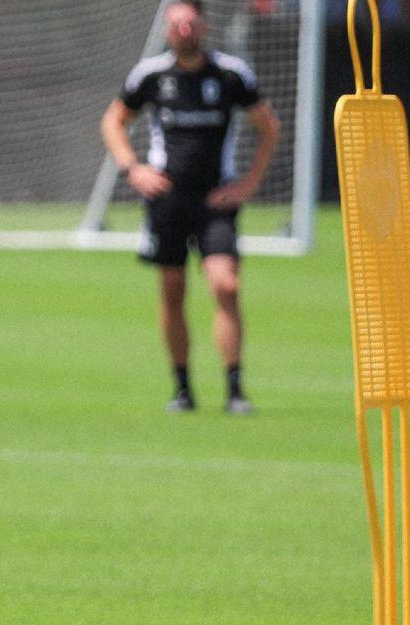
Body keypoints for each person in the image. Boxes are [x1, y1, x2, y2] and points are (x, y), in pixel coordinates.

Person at [100, 0, 279, 415]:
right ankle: (183, 389)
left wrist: (248, 184)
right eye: (176, 24)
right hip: (168, 201)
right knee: (173, 291)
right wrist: (133, 169)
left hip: (216, 199)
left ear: (203, 25)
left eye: (190, 23)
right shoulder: (151, 74)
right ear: (167, 29)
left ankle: (235, 390)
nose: (183, 30)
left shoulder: (231, 74)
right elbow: (113, 121)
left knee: (225, 285)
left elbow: (268, 125)